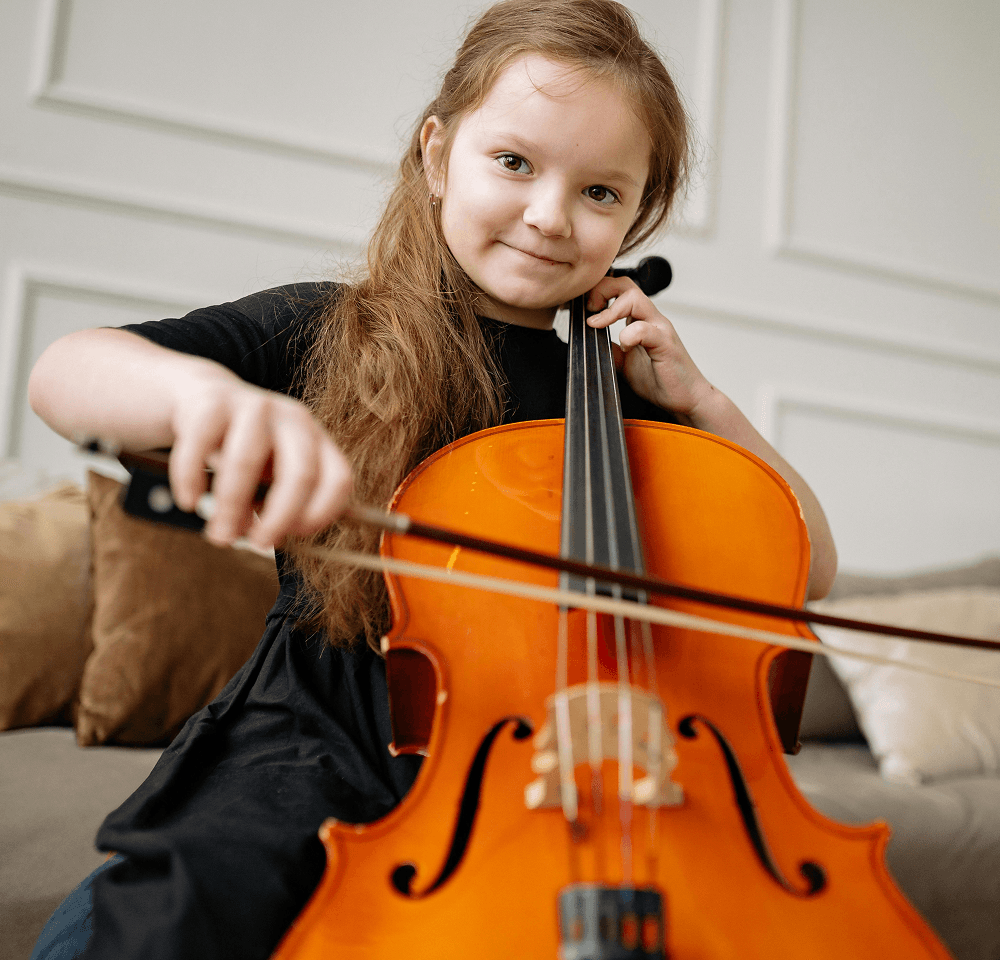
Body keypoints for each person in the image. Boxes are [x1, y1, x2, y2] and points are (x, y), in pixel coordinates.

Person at [27, 1, 837, 957]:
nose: (550, 215)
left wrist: (701, 401)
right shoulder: (334, 330)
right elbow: (68, 371)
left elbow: (807, 563)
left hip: (564, 782)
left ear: (639, 213)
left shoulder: (633, 407)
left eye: (602, 194)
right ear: (437, 150)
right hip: (312, 749)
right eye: (515, 163)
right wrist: (210, 399)